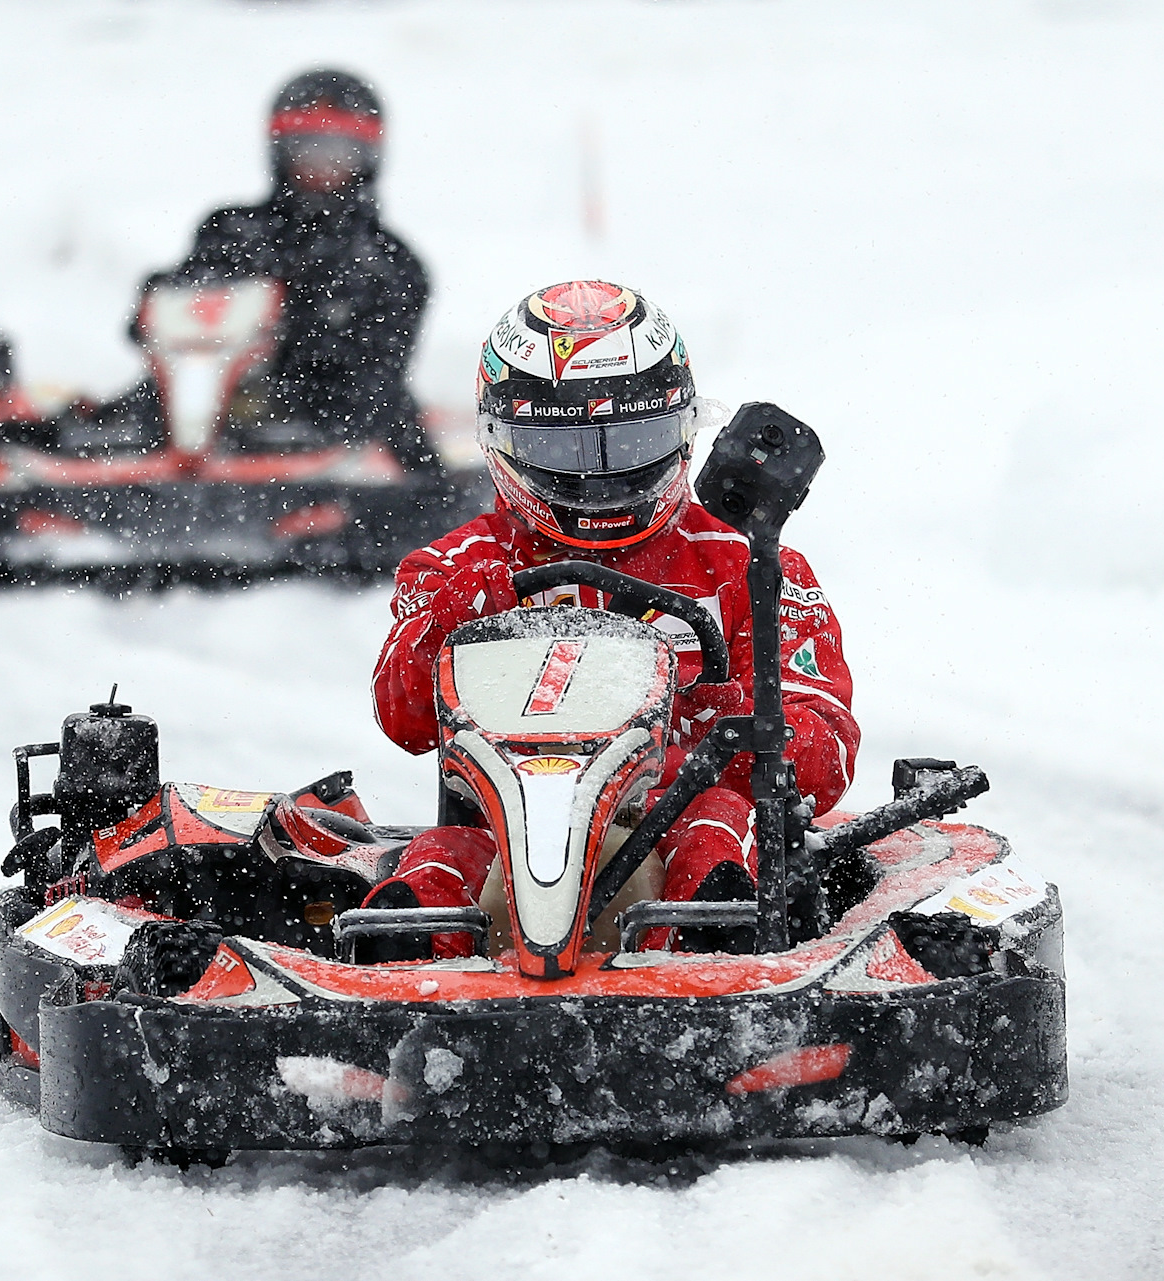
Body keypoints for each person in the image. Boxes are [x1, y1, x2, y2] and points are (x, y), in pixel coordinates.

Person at [363, 280, 860, 954]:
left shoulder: (748, 562)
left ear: (680, 428)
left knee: (717, 826)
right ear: (500, 440)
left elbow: (825, 751)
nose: (600, 482)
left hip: (683, 814)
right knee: (441, 858)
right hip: (508, 832)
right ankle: (398, 979)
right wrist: (460, 612)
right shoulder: (458, 563)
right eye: (567, 453)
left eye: (627, 446)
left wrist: (723, 726)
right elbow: (406, 724)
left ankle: (710, 955)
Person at [0, 69, 432, 468]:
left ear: (367, 160)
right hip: (193, 402)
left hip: (321, 411)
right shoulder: (233, 229)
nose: (320, 167)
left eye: (336, 154)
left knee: (393, 428)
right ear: (280, 152)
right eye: (306, 150)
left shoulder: (388, 263)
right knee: (76, 424)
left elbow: (379, 369)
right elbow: (166, 314)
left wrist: (293, 333)